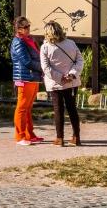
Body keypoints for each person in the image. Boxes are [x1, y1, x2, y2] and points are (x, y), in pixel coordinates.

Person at [40, 20, 83, 146]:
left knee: (58, 110)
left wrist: (60, 77)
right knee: (72, 109)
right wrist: (71, 74)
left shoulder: (45, 47)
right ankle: (76, 137)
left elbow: (46, 68)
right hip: (71, 82)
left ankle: (59, 138)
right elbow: (80, 60)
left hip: (55, 83)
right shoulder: (71, 43)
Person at [9, 16, 44, 146]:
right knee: (22, 108)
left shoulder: (29, 40)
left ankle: (30, 135)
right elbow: (27, 62)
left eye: (28, 25)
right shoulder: (18, 42)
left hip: (32, 77)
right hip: (24, 78)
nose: (28, 28)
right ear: (18, 29)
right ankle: (20, 136)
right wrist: (44, 67)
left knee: (28, 108)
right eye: (25, 27)